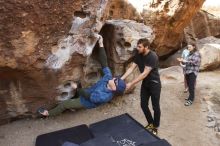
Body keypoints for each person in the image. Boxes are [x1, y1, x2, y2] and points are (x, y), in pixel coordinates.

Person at [37, 35, 126, 117]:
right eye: (116, 79)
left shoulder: (104, 96)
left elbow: (87, 96)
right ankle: (74, 101)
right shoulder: (108, 78)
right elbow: (104, 62)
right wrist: (101, 43)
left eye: (116, 81)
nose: (114, 78)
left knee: (65, 104)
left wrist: (77, 88)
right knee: (78, 85)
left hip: (86, 102)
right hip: (89, 91)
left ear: (114, 89)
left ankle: (48, 114)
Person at [121, 38, 161, 135]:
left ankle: (155, 127)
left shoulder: (153, 56)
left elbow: (144, 74)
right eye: (137, 46)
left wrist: (131, 83)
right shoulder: (138, 55)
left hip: (154, 84)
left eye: (140, 47)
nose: (137, 48)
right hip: (145, 84)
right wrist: (121, 79)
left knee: (155, 107)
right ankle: (150, 123)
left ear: (146, 47)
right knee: (143, 105)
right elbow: (131, 68)